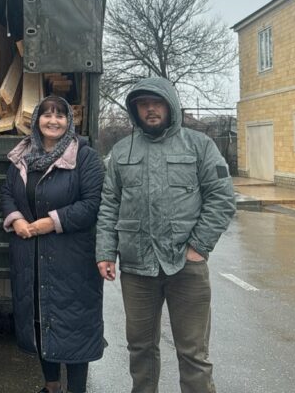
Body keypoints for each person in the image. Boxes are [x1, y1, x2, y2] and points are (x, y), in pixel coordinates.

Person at [96, 77, 236, 393]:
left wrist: (198, 246)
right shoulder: (121, 151)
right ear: (135, 110)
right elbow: (109, 205)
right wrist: (105, 252)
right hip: (137, 268)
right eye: (143, 104)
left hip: (186, 267)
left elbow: (222, 197)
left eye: (156, 102)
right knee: (140, 349)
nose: (150, 109)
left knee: (193, 353)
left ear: (170, 105)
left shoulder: (199, 146)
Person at [0, 95, 105, 393]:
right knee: (40, 319)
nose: (53, 120)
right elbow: (7, 192)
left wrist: (51, 222)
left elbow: (93, 204)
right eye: (47, 114)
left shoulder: (84, 156)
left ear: (69, 122)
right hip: (30, 255)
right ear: (37, 121)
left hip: (72, 258)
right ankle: (51, 387)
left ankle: (76, 390)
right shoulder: (23, 156)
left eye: (60, 115)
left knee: (73, 325)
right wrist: (16, 219)